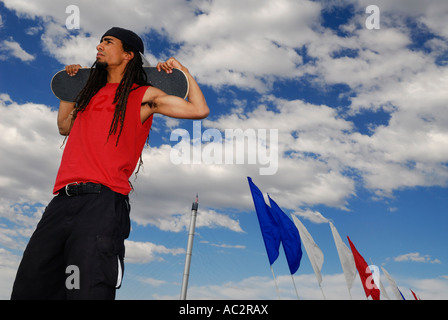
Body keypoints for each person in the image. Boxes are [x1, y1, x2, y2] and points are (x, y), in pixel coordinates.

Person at [11, 27, 209, 300]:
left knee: (87, 289)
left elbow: (199, 110)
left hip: (102, 203)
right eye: (100, 41)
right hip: (61, 201)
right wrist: (69, 90)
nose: (99, 46)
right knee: (30, 286)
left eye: (108, 42)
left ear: (128, 54)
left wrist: (182, 70)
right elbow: (64, 126)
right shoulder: (90, 94)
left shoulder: (144, 96)